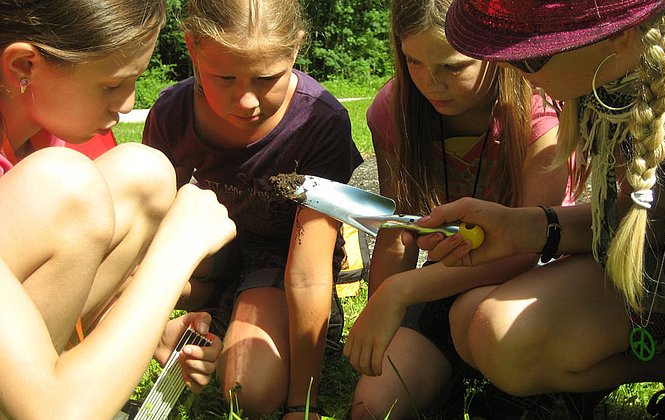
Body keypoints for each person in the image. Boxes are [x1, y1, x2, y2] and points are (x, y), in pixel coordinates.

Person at [412, 0, 665, 417]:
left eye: (529, 56)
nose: (508, 66)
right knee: (493, 328)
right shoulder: (614, 77)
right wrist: (524, 228)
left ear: (618, 34)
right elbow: (648, 222)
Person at [0, 1, 236, 419]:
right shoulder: (57, 175)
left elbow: (55, 283)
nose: (127, 104)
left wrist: (145, 328)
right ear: (24, 67)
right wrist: (174, 255)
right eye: (111, 86)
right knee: (65, 182)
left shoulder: (50, 138)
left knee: (144, 174)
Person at [342, 0, 570, 417]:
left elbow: (524, 252)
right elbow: (399, 229)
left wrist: (401, 292)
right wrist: (381, 311)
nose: (432, 84)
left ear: (493, 52)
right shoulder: (393, 111)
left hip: (536, 284)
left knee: (492, 341)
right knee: (372, 409)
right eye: (414, 62)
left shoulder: (541, 118)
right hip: (447, 279)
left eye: (453, 67)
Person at [142, 0, 363, 417]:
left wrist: (303, 404)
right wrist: (151, 324)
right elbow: (152, 233)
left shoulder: (319, 121)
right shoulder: (172, 113)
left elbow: (308, 269)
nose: (245, 100)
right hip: (212, 256)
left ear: (295, 50)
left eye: (266, 78)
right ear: (192, 46)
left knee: (250, 392)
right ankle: (214, 316)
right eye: (224, 77)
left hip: (279, 266)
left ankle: (232, 323)